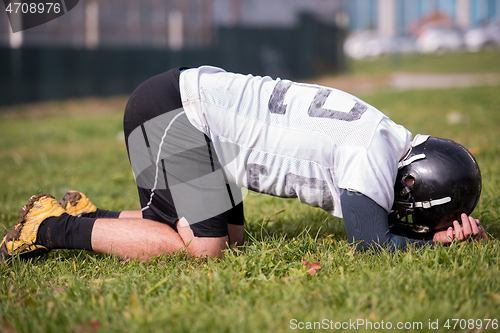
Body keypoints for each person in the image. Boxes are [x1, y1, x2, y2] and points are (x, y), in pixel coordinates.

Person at [0, 66, 488, 262]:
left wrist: (431, 233)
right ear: (417, 180)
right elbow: (370, 244)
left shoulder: (386, 134)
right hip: (176, 112)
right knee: (205, 249)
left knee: (227, 240)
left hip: (191, 113)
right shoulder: (371, 156)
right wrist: (437, 242)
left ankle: (85, 218)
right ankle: (47, 228)